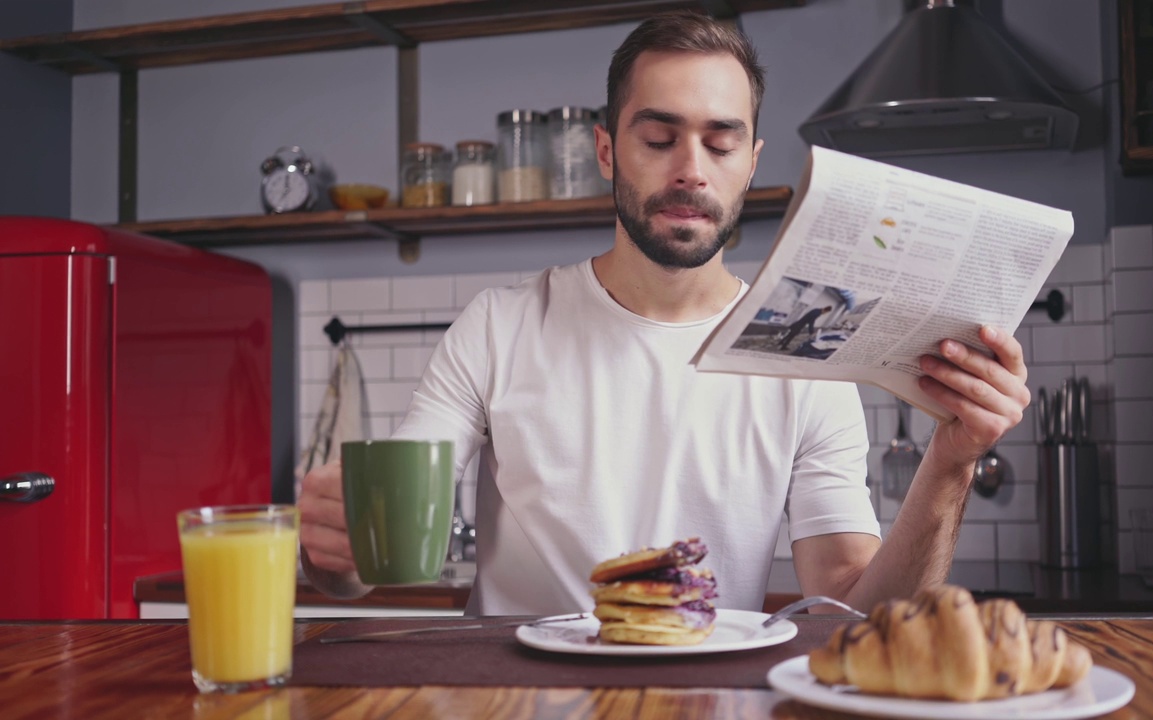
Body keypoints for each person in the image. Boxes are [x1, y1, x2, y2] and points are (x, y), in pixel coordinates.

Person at [298, 12, 1030, 616]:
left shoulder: (807, 356)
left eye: (720, 141)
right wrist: (337, 554)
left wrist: (950, 465)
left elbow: (855, 610)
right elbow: (373, 551)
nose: (690, 167)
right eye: (658, 138)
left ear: (750, 163)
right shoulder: (497, 327)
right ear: (607, 151)